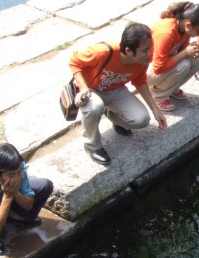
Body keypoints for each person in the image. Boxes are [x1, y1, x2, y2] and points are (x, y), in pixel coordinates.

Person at [70, 23, 168, 165]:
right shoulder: (103, 52)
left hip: (115, 90)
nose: (150, 54)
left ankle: (114, 117)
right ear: (128, 51)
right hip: (92, 90)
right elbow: (74, 62)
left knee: (142, 120)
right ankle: (92, 146)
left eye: (150, 48)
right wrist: (83, 88)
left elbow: (140, 80)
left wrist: (155, 108)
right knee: (94, 107)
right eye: (145, 50)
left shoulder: (142, 60)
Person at [147, 1, 199, 112]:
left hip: (161, 65)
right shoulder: (166, 33)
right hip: (145, 72)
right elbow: (159, 68)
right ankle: (159, 95)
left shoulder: (183, 29)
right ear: (188, 25)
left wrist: (192, 50)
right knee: (184, 64)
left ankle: (172, 89)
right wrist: (185, 53)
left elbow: (182, 49)